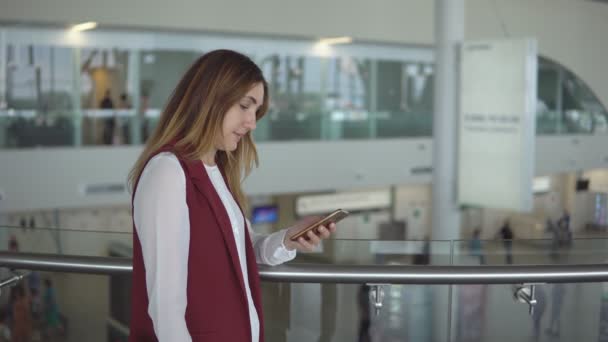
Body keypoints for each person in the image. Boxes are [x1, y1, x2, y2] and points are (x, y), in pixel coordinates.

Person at [127, 49, 337, 342]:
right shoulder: (168, 173)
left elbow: (240, 252)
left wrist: (289, 239)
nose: (252, 123)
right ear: (209, 99)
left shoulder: (216, 172)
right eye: (244, 106)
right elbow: (166, 306)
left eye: (256, 111)